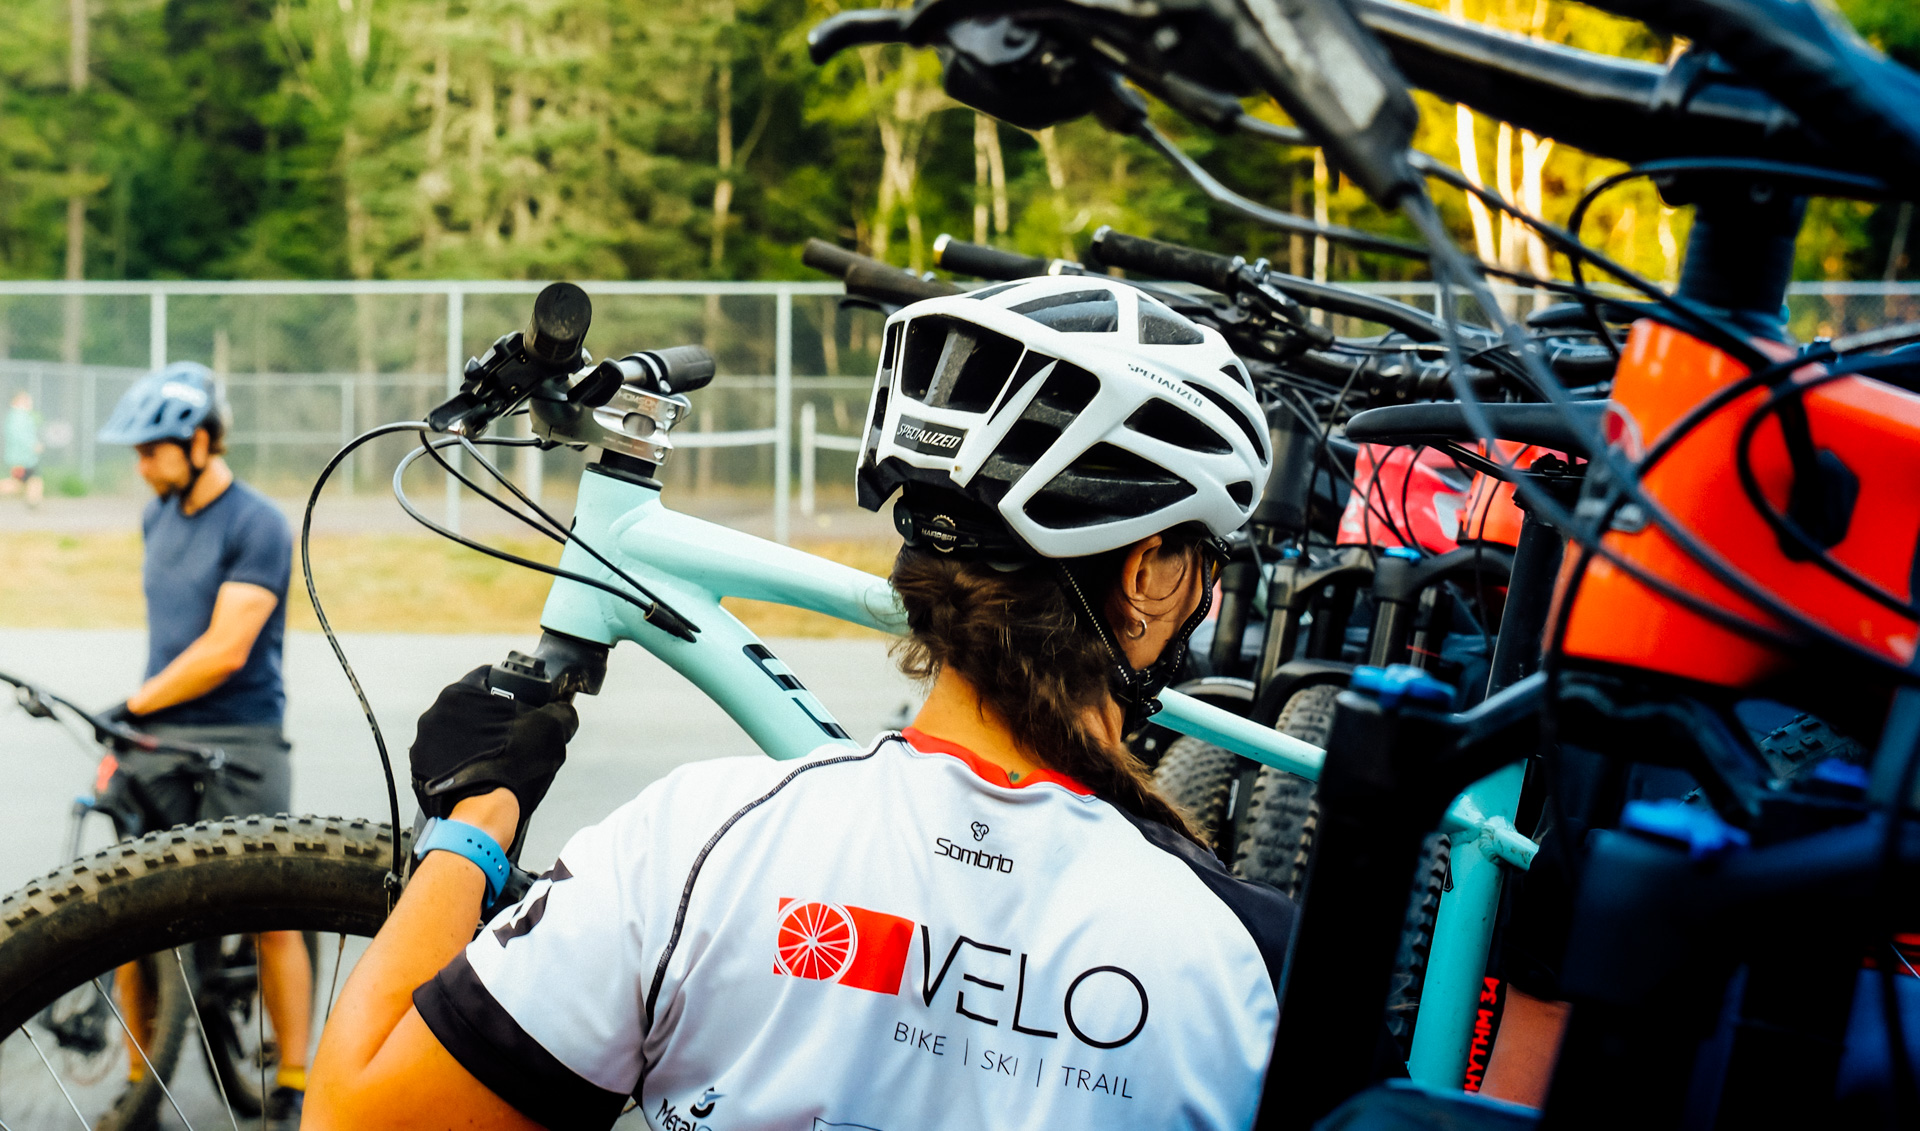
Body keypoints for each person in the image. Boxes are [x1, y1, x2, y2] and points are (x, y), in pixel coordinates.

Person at [307, 278, 1287, 1130]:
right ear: (1150, 574)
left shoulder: (690, 846)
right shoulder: (1253, 968)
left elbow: (358, 1116)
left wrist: (474, 826)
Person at [94, 361, 313, 1127]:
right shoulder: (157, 515)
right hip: (159, 729)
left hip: (241, 733)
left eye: (150, 448)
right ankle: (138, 1084)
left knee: (270, 906)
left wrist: (133, 704)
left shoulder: (257, 522)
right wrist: (134, 725)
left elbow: (225, 648)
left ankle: (294, 1082)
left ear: (200, 440)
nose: (141, 464)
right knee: (129, 910)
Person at [3, 389, 44, 508]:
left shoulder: (22, 416)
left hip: (27, 458)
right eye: (25, 399)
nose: (29, 402)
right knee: (16, 484)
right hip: (20, 458)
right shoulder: (17, 417)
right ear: (15, 401)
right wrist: (32, 445)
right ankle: (33, 502)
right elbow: (19, 435)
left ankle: (33, 502)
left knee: (34, 480)